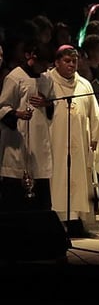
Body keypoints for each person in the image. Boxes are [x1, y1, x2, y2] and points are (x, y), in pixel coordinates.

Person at [47, 45, 99, 232]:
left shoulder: (83, 84)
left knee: (77, 178)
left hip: (78, 141)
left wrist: (95, 137)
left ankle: (73, 218)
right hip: (55, 141)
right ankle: (57, 218)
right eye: (67, 61)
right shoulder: (47, 82)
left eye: (74, 61)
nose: (71, 65)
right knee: (57, 178)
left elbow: (94, 114)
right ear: (57, 62)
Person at [0, 41, 55, 212]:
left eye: (47, 65)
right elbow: (2, 106)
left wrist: (46, 103)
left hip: (40, 141)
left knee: (41, 199)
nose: (44, 68)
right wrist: (17, 114)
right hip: (18, 140)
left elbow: (54, 104)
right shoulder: (15, 77)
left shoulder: (47, 79)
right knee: (16, 199)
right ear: (31, 57)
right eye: (42, 64)